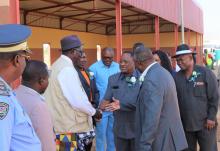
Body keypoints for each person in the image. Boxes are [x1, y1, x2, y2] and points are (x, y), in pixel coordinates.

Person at [44, 35, 102, 151]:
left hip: (60, 126)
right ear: (73, 51)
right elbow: (78, 101)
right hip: (69, 130)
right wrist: (94, 112)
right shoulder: (67, 70)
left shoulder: (56, 66)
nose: (82, 55)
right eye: (80, 52)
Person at [133, 46, 188, 151]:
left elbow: (152, 116)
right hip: (170, 137)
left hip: (162, 140)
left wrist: (144, 145)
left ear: (139, 63)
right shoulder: (162, 72)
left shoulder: (152, 79)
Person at [0, 24, 41, 150]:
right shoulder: (3, 101)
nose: (26, 62)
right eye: (26, 57)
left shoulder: (6, 91)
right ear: (17, 60)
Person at [173, 44, 219, 151]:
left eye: (181, 60)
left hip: (206, 124)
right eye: (177, 60)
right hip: (186, 125)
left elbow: (214, 97)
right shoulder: (176, 77)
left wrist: (211, 117)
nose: (179, 62)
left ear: (190, 57)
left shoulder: (205, 73)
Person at [99, 51, 140, 151]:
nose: (122, 64)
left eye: (126, 62)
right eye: (121, 61)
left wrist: (120, 104)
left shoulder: (142, 78)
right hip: (120, 130)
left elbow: (141, 102)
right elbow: (106, 100)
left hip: (138, 129)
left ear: (134, 62)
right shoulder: (113, 79)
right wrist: (100, 109)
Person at [15, 60, 56, 151]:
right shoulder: (38, 105)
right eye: (47, 79)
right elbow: (46, 143)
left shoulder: (14, 94)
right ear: (42, 81)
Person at [89, 47, 120, 151]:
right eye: (105, 57)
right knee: (100, 137)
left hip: (114, 108)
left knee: (112, 137)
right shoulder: (93, 68)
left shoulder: (118, 67)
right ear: (101, 56)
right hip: (101, 109)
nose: (108, 60)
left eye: (110, 58)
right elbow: (91, 89)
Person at [75, 51, 100, 151]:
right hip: (79, 114)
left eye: (85, 57)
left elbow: (95, 90)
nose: (84, 59)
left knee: (89, 141)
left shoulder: (89, 71)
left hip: (91, 111)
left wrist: (95, 104)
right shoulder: (72, 73)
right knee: (79, 143)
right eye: (81, 57)